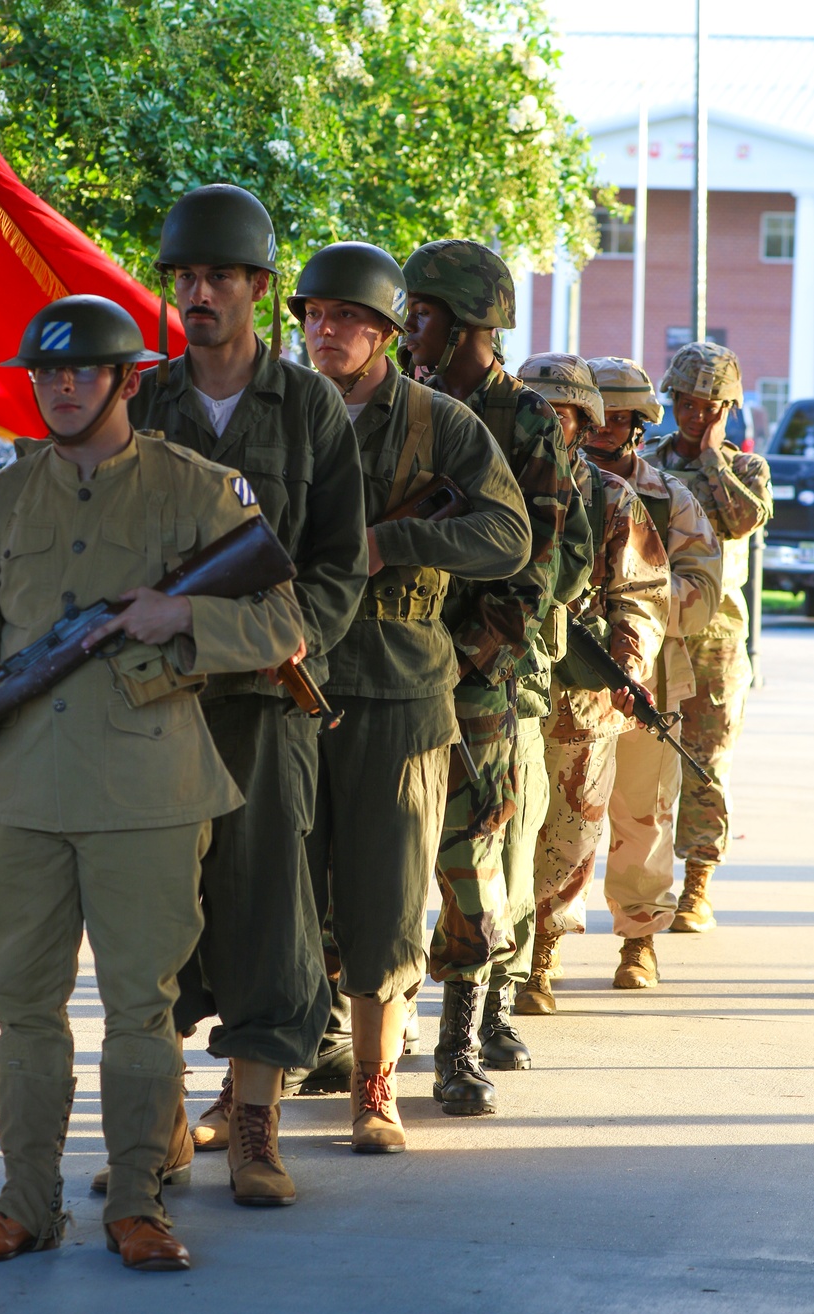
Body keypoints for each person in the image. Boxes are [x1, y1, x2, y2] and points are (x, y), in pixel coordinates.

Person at [0, 295, 304, 1270]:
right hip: (17, 795)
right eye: (45, 372)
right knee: (23, 1009)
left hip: (146, 794)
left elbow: (284, 627)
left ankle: (137, 1200)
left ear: (128, 379)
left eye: (82, 371)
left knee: (140, 1008)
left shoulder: (199, 490)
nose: (61, 386)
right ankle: (22, 1202)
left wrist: (181, 620)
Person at [127, 184, 369, 1203]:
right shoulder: (142, 402)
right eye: (185, 277)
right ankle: (166, 1125)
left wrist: (280, 633)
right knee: (155, 915)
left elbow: (335, 563)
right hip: (158, 703)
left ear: (261, 289)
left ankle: (258, 1124)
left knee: (269, 908)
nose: (200, 294)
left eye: (220, 276)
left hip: (268, 700)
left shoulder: (307, 405)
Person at [288, 241, 530, 1146]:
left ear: (389, 330)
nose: (329, 331)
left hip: (397, 684)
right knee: (280, 892)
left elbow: (508, 535)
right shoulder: (277, 413)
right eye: (316, 315)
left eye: (351, 318)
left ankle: (376, 1086)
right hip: (286, 677)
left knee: (389, 900)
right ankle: (258, 1088)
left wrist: (397, 546)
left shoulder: (440, 425)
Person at [400, 239, 592, 1107]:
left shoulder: (525, 423)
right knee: (369, 847)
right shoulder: (401, 404)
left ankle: (458, 1040)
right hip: (391, 658)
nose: (410, 328)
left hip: (476, 672)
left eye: (425, 314)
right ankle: (344, 1029)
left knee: (472, 856)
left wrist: (481, 651)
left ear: (472, 323)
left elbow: (547, 556)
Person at [511, 354, 670, 1014]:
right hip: (505, 680)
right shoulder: (485, 481)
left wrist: (626, 666)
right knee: (503, 824)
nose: (549, 423)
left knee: (571, 827)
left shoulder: (611, 497)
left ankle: (541, 952)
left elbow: (640, 592)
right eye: (537, 408)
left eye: (564, 412)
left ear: (586, 422)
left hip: (583, 692)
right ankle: (498, 956)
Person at [584, 357, 722, 985]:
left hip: (649, 683)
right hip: (565, 680)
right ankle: (538, 950)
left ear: (641, 423)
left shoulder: (673, 500)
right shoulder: (548, 485)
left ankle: (639, 939)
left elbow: (703, 593)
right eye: (596, 415)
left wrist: (632, 602)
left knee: (643, 815)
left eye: (621, 417)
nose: (606, 427)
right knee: (548, 818)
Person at [641, 343, 772, 932]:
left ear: (730, 408)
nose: (695, 416)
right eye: (686, 403)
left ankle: (697, 884)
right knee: (638, 766)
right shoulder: (644, 462)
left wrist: (716, 458)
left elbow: (743, 520)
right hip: (650, 631)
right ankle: (641, 888)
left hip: (716, 642)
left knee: (705, 764)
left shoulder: (745, 470)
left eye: (710, 405)